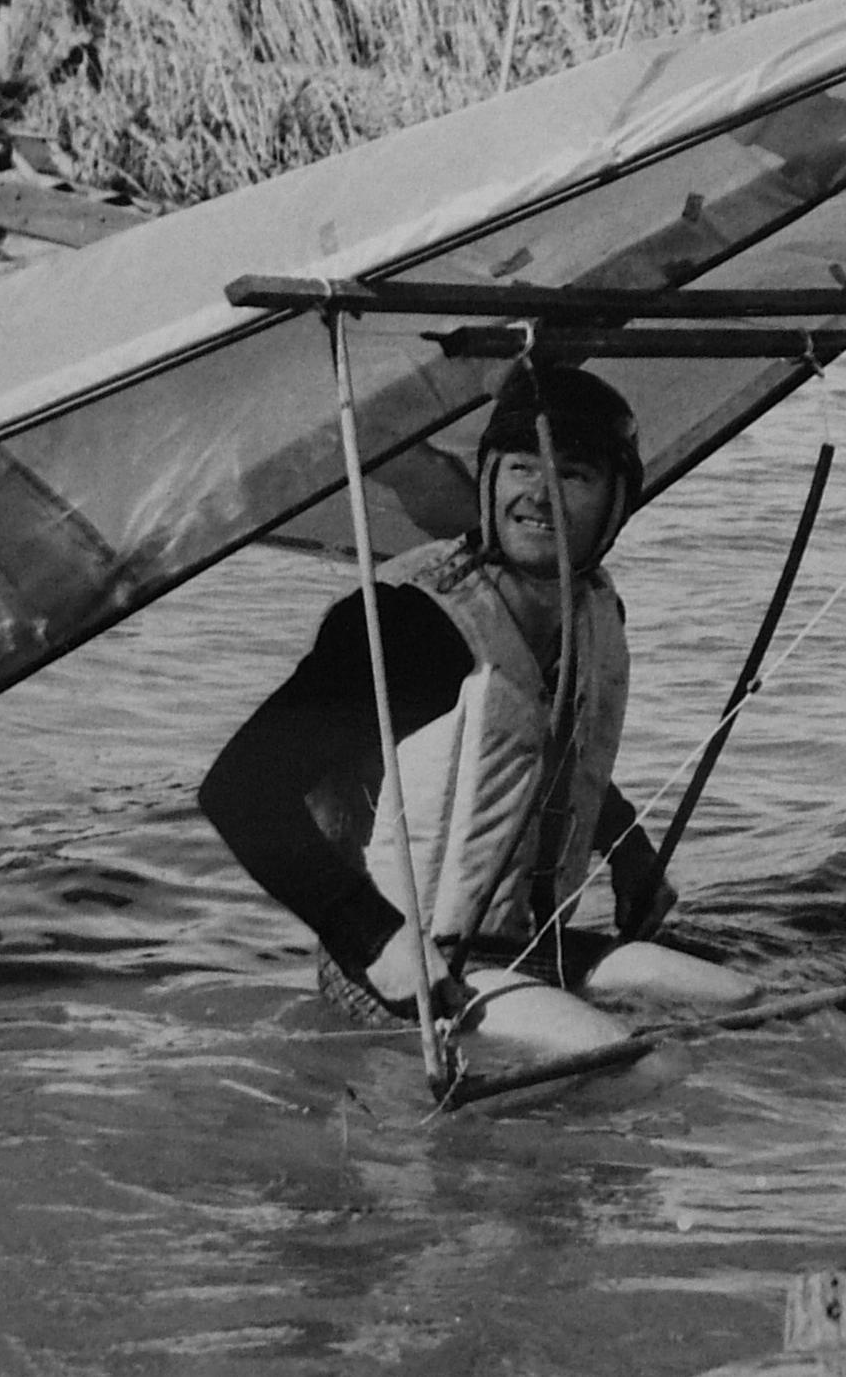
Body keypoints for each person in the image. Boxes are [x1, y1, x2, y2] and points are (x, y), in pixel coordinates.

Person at [199, 359, 756, 1063]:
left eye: (574, 475)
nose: (540, 495)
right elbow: (241, 790)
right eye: (521, 467)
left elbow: (542, 755)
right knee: (622, 1061)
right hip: (400, 963)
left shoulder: (591, 608)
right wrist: (375, 940)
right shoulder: (412, 627)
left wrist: (629, 854)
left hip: (528, 943)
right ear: (489, 480)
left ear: (618, 503)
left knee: (751, 1010)